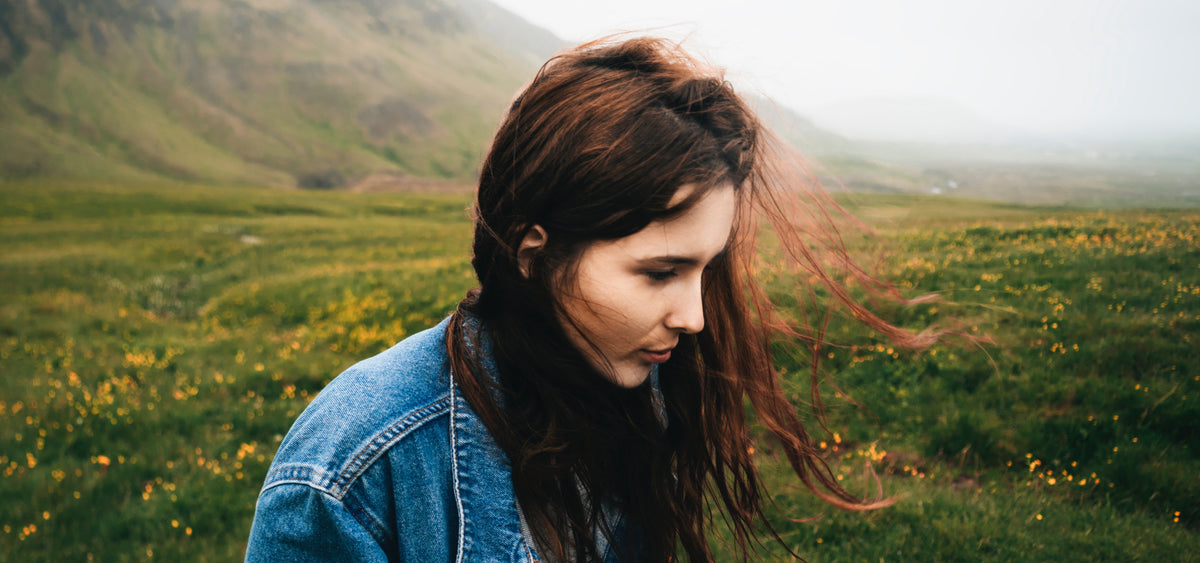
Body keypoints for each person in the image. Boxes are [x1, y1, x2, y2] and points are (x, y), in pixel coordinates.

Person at [246, 36, 940, 562]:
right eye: (659, 272)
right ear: (533, 254)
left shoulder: (636, 390)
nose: (694, 318)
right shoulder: (357, 464)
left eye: (705, 270)